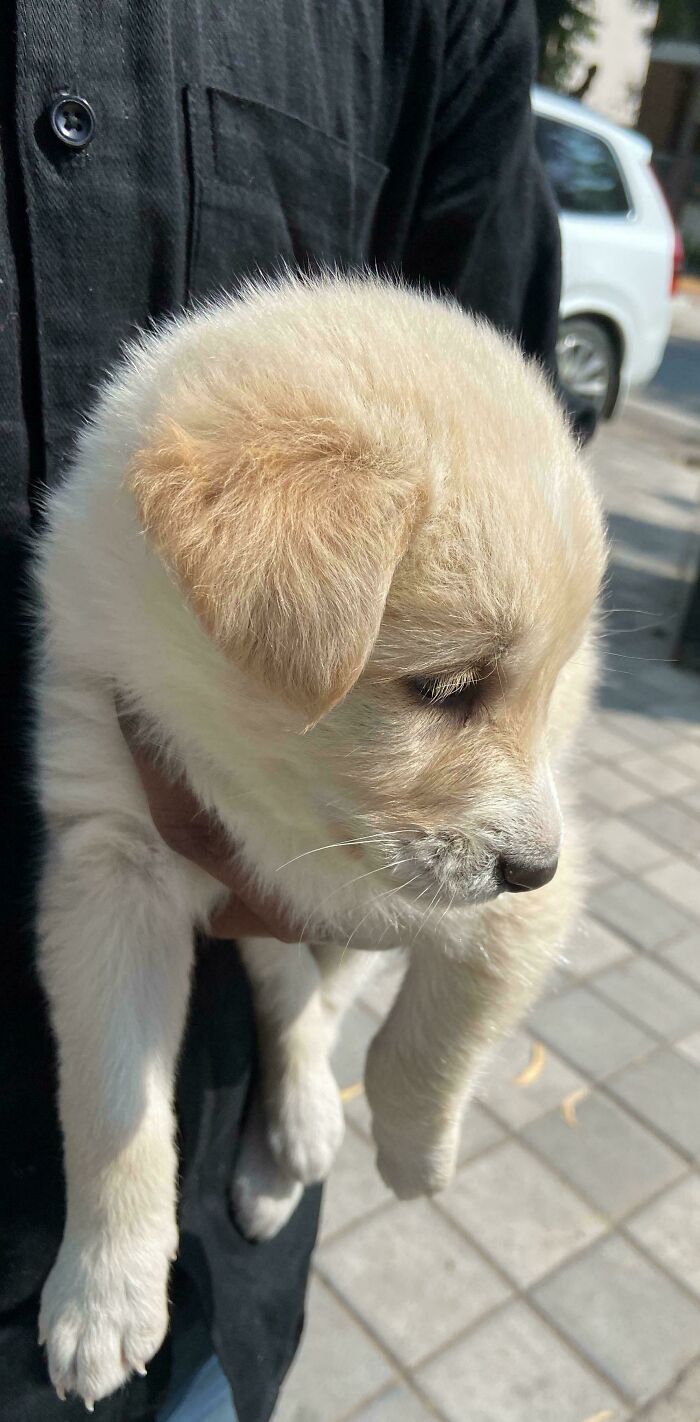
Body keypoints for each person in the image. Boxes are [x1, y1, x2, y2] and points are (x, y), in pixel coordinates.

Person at [0, 3, 590, 1419]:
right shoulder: (189, 543)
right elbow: (117, 872)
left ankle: (305, 1048)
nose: (535, 822)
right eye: (447, 691)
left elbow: (498, 392)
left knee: (340, 957)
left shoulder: (432, 19)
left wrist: (413, 1081)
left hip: (218, 1280)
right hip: (78, 1179)